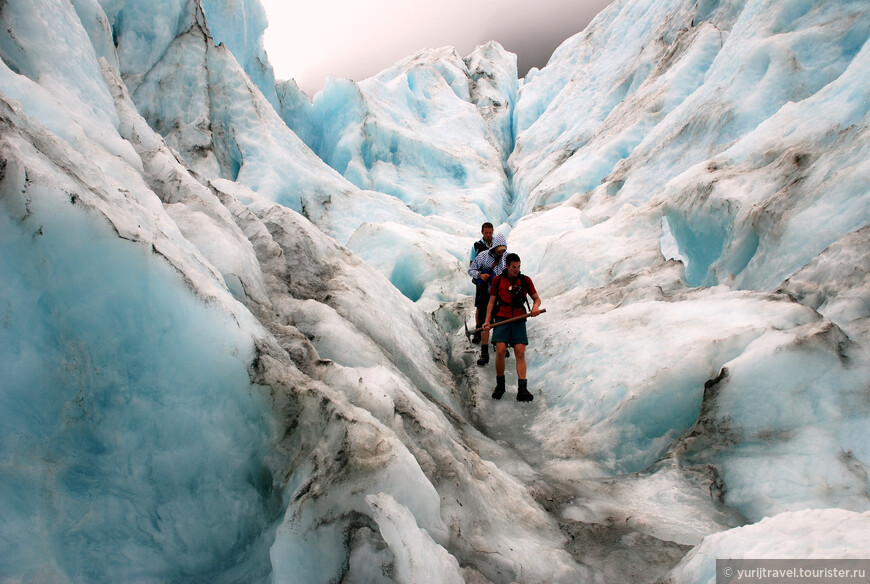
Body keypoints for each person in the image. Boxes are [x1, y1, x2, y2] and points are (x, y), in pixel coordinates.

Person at [483, 253, 542, 402]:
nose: (517, 270)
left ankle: (522, 389)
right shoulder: (497, 280)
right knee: (501, 351)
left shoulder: (525, 280)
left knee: (520, 352)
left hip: (519, 318)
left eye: (519, 267)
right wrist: (487, 321)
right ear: (507, 266)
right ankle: (500, 385)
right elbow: (491, 302)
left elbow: (537, 298)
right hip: (502, 317)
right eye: (514, 267)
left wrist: (535, 307)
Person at [468, 233, 507, 365]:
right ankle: (484, 352)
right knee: (486, 320)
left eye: (504, 250)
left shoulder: (507, 258)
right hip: (486, 293)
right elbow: (471, 269)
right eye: (500, 249)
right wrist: (480, 275)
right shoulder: (483, 256)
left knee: (500, 319)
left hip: (502, 294)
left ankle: (499, 345)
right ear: (495, 247)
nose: (502, 252)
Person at [468, 222, 494, 344]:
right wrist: (480, 276)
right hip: (481, 282)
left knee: (495, 304)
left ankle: (495, 334)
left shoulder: (497, 245)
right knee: (480, 305)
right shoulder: (477, 246)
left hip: (494, 281)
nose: (488, 235)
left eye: (490, 232)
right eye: (486, 232)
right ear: (482, 232)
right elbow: (471, 265)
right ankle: (478, 331)